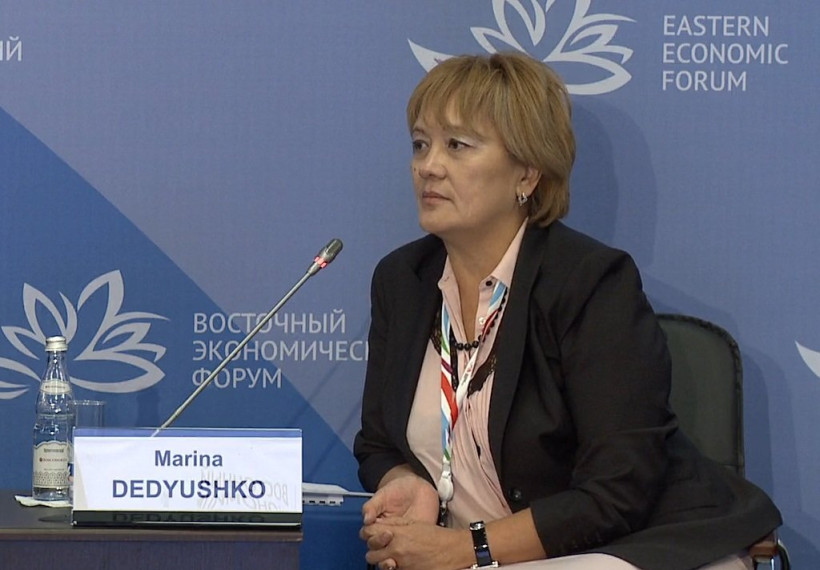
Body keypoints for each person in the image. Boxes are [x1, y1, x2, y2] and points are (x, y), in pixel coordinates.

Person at [354, 52, 781, 570]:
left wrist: (467, 548)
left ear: (527, 174)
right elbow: (377, 441)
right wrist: (406, 481)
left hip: (625, 547)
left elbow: (616, 493)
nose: (428, 165)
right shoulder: (402, 281)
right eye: (420, 144)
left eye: (457, 145)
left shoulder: (591, 283)